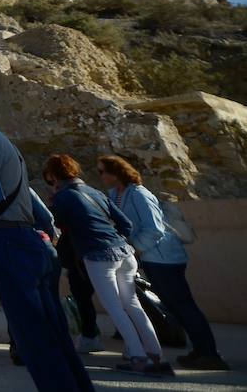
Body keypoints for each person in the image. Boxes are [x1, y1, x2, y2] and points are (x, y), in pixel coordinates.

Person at [0, 87, 94, 392]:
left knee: (32, 337)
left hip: (8, 241)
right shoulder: (2, 141)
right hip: (30, 242)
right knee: (54, 332)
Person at [98, 154, 228, 371]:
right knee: (174, 306)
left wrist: (135, 249)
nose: (100, 176)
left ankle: (209, 353)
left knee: (184, 306)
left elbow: (155, 228)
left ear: (115, 172)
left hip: (164, 258)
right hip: (150, 258)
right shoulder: (115, 195)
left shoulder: (139, 194)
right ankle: (200, 349)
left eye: (103, 171)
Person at [44, 154, 167, 375]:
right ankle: (156, 355)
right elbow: (125, 224)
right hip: (124, 252)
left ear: (53, 176)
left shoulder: (63, 197)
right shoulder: (95, 192)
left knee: (115, 308)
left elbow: (58, 227)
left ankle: (138, 357)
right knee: (132, 305)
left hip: (98, 256)